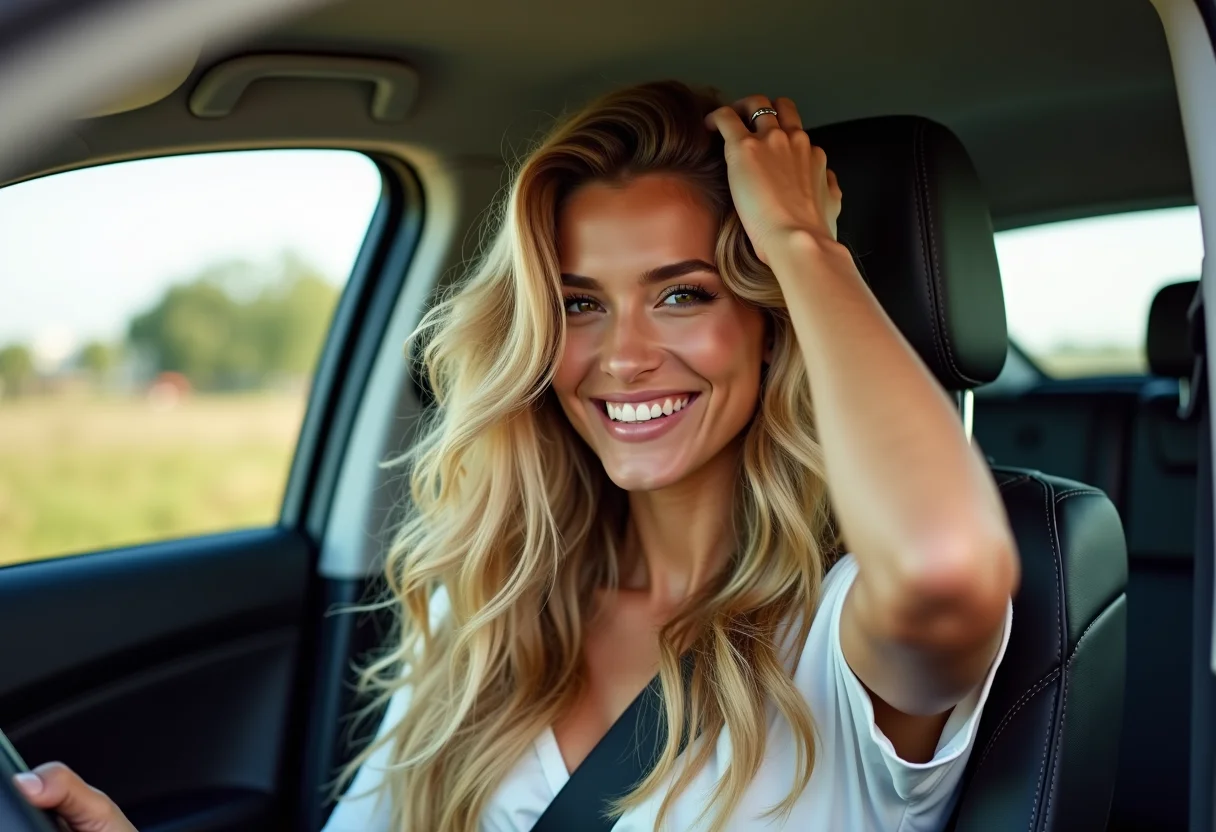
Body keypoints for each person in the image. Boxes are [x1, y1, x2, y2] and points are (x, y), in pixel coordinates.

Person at [14, 80, 1017, 832]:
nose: (621, 356)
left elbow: (946, 562)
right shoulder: (488, 607)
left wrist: (803, 241)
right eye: (580, 303)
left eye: (683, 293)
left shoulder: (842, 640)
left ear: (771, 323)